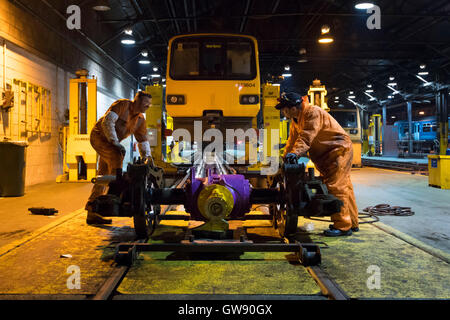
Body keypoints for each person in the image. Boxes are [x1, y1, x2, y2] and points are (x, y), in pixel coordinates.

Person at [275, 92, 359, 236]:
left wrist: (295, 154)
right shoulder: (296, 121)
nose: (284, 112)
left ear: (293, 107)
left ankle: (343, 226)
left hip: (338, 151)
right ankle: (352, 222)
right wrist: (283, 161)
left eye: (284, 109)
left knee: (336, 187)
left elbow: (307, 136)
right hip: (327, 156)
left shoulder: (312, 112)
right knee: (345, 186)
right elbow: (292, 142)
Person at [85, 91, 154, 224]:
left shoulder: (140, 120)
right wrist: (114, 142)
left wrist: (148, 159)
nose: (148, 106)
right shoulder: (122, 105)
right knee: (117, 157)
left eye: (149, 104)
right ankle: (113, 198)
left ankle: (92, 209)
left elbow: (143, 141)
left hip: (111, 143)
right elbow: (107, 122)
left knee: (103, 174)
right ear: (136, 101)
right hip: (99, 136)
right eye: (146, 103)